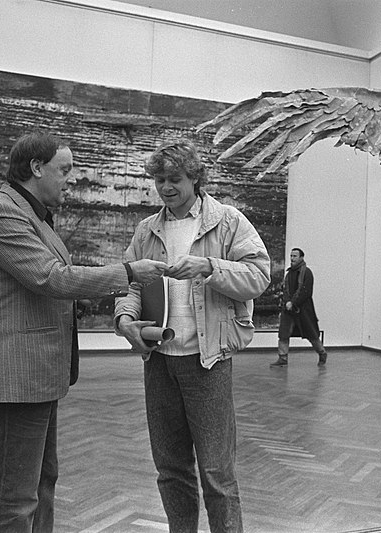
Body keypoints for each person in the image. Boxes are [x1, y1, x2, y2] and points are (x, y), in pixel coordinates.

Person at [0, 131, 167, 532]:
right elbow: (52, 279)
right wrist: (128, 273)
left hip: (35, 375)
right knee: (9, 496)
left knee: (39, 483)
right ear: (36, 168)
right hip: (15, 376)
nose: (70, 179)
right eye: (64, 169)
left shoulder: (30, 214)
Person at [114, 138, 270, 533]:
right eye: (160, 180)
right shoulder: (147, 230)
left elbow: (259, 276)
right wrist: (125, 322)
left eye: (175, 179)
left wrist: (209, 266)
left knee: (217, 473)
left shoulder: (229, 221)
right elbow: (129, 286)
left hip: (208, 363)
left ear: (195, 177)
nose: (166, 187)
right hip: (160, 362)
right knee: (170, 469)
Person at [270, 248, 327, 367]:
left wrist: (293, 303)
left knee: (312, 334)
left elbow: (306, 292)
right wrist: (286, 303)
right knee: (283, 334)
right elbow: (286, 290)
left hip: (303, 310)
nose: (292, 258)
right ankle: (283, 357)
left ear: (301, 258)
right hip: (288, 310)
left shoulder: (307, 272)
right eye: (291, 256)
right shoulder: (289, 273)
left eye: (295, 256)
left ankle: (322, 353)